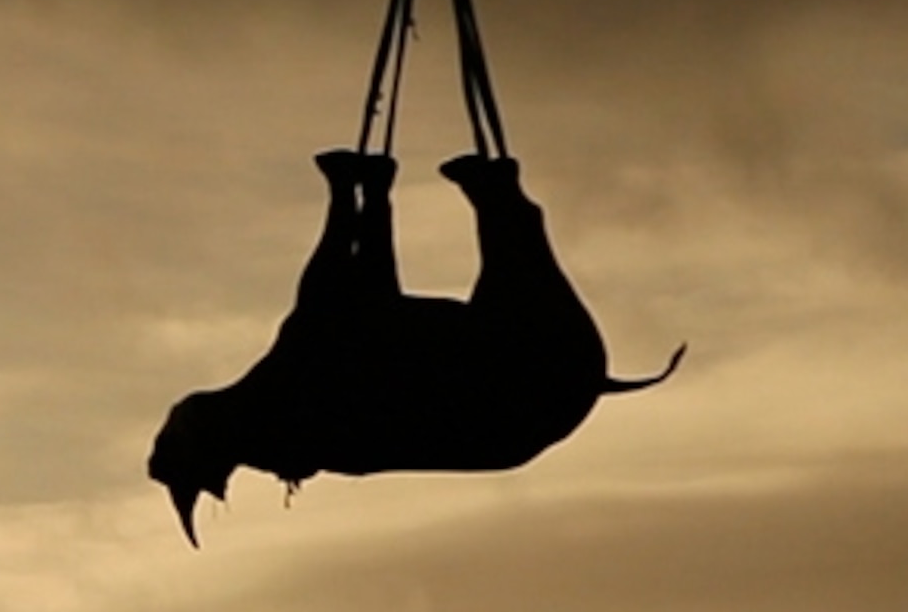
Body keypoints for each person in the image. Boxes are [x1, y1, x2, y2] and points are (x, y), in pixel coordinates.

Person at [147, 150, 677, 544]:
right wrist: (359, 196)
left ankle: (491, 197)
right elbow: (362, 297)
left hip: (535, 386)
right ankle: (490, 198)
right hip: (530, 383)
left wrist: (364, 196)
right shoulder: (316, 402)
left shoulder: (305, 395)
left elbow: (356, 299)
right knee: (495, 285)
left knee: (481, 286)